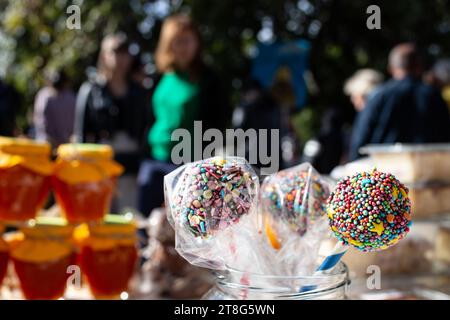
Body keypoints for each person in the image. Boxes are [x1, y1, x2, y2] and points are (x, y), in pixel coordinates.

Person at [137, 14, 229, 217]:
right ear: (168, 44)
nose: (183, 47)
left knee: (184, 224)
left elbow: (218, 122)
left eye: (188, 40)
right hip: (154, 160)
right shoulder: (160, 77)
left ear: (197, 42)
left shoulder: (208, 79)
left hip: (187, 164)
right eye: (178, 41)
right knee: (146, 224)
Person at [74, 33, 149, 211]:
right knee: (99, 216)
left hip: (131, 166)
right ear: (104, 55)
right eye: (114, 52)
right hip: (100, 164)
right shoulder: (91, 90)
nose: (120, 58)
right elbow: (81, 134)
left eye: (124, 53)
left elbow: (146, 129)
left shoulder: (139, 92)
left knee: (130, 217)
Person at [349, 43, 450, 161]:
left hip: (383, 173)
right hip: (428, 172)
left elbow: (360, 141)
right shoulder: (434, 96)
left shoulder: (379, 96)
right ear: (419, 67)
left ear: (391, 68)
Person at [33, 70, 76, 148]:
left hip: (63, 146)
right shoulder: (45, 96)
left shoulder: (70, 98)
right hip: (48, 145)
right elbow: (41, 123)